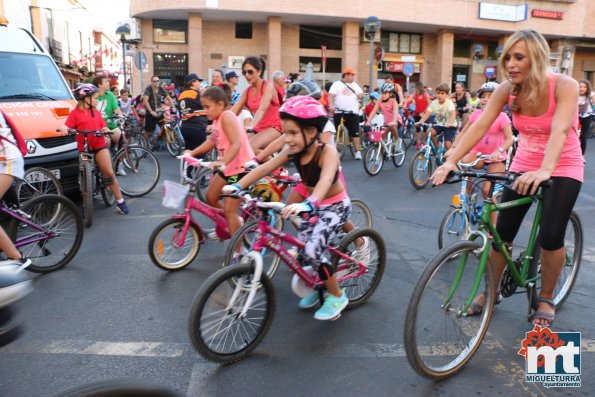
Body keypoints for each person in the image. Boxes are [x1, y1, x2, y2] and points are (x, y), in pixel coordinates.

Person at [432, 29, 584, 327]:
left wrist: (545, 170)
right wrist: (450, 161)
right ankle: (491, 290)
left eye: (519, 57)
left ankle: (547, 295)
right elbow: (477, 126)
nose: (511, 64)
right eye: (507, 58)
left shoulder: (564, 85)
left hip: (563, 163)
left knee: (551, 236)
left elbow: (561, 130)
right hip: (525, 160)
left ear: (536, 59)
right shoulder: (507, 89)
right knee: (502, 234)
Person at [223, 96, 351, 321]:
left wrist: (309, 202)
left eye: (292, 133)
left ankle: (336, 295)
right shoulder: (294, 151)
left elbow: (325, 180)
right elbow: (266, 167)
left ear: (311, 132)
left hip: (335, 207)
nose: (287, 139)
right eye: (285, 133)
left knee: (313, 251)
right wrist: (238, 185)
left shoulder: (326, 152)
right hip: (314, 207)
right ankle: (317, 285)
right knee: (302, 252)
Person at [183, 86, 255, 238]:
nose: (205, 110)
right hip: (228, 167)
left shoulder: (227, 116)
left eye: (207, 107)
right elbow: (211, 141)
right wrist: (192, 153)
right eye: (203, 107)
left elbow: (236, 144)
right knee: (211, 196)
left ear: (220, 105)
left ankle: (238, 252)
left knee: (229, 209)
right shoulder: (216, 121)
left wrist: (221, 161)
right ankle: (230, 223)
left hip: (241, 168)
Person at [446, 82, 513, 224]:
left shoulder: (502, 117)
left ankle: (494, 225)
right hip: (479, 154)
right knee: (464, 162)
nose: (485, 99)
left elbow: (509, 140)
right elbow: (464, 132)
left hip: (496, 158)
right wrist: (453, 148)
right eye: (483, 96)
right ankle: (468, 193)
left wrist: (499, 150)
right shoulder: (476, 114)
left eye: (490, 96)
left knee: (487, 191)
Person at [62, 84, 129, 215]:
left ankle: (120, 202)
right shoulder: (75, 114)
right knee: (83, 176)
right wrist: (64, 128)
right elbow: (66, 126)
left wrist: (107, 130)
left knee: (109, 173)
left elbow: (103, 127)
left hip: (99, 146)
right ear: (85, 98)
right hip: (84, 150)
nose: (97, 100)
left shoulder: (96, 113)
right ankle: (86, 202)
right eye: (95, 98)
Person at [231, 56, 283, 153]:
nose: (247, 75)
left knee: (250, 147)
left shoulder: (268, 86)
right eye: (244, 72)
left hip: (274, 127)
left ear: (259, 72)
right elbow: (233, 110)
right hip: (258, 128)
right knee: (238, 146)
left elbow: (262, 109)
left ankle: (277, 167)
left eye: (250, 72)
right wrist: (218, 123)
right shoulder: (247, 91)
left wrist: (251, 125)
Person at [328, 68, 364, 159]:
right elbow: (331, 95)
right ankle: (337, 150)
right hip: (339, 111)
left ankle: (357, 152)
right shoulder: (336, 84)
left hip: (352, 112)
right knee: (337, 131)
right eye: (351, 75)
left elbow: (361, 95)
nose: (353, 77)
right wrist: (331, 105)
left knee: (355, 133)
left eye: (353, 75)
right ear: (346, 75)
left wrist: (361, 96)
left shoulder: (355, 85)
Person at [416, 83, 457, 152]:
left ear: (446, 95)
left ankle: (450, 157)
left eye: (442, 93)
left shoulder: (449, 102)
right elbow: (427, 114)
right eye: (438, 93)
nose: (439, 95)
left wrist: (450, 122)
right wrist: (420, 122)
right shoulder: (434, 103)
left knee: (447, 144)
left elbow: (453, 114)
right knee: (429, 132)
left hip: (449, 126)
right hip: (439, 124)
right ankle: (437, 147)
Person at [178, 73, 209, 152]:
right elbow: (208, 106)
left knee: (190, 153)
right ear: (193, 82)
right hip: (197, 128)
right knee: (200, 153)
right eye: (198, 81)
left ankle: (189, 164)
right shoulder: (196, 94)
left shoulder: (181, 95)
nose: (200, 83)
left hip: (185, 127)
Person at [92, 75, 123, 148]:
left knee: (123, 140)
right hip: (99, 129)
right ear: (99, 85)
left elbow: (117, 110)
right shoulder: (92, 97)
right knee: (106, 142)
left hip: (111, 126)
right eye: (106, 81)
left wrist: (121, 120)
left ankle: (121, 158)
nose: (108, 83)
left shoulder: (110, 95)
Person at [142, 75, 175, 142]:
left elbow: (169, 99)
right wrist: (151, 111)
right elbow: (145, 101)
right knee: (148, 131)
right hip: (150, 112)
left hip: (159, 111)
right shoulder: (148, 89)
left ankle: (159, 137)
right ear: (151, 82)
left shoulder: (161, 88)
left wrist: (173, 107)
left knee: (166, 122)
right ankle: (144, 146)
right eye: (154, 81)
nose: (156, 82)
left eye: (157, 81)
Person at [411, 82, 431, 149]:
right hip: (417, 113)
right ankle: (418, 142)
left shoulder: (426, 95)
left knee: (425, 128)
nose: (415, 90)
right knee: (417, 128)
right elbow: (411, 99)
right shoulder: (415, 94)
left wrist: (424, 111)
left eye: (416, 88)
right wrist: (412, 101)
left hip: (424, 114)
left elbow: (429, 104)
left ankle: (423, 140)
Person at [578, 79, 594, 157]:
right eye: (580, 86)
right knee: (573, 135)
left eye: (584, 87)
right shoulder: (574, 94)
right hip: (576, 117)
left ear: (587, 88)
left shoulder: (590, 95)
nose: (582, 88)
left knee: (583, 136)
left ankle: (582, 155)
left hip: (587, 116)